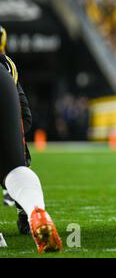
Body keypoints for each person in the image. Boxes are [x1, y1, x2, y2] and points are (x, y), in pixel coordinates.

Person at [0, 53, 63, 253]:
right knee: (14, 170)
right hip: (3, 78)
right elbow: (25, 117)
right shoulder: (7, 62)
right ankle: (37, 211)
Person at [0, 25, 32, 236]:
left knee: (18, 163)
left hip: (10, 115)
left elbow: (20, 109)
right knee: (18, 166)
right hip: (13, 114)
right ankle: (31, 212)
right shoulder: (6, 63)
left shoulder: (5, 64)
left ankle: (26, 213)